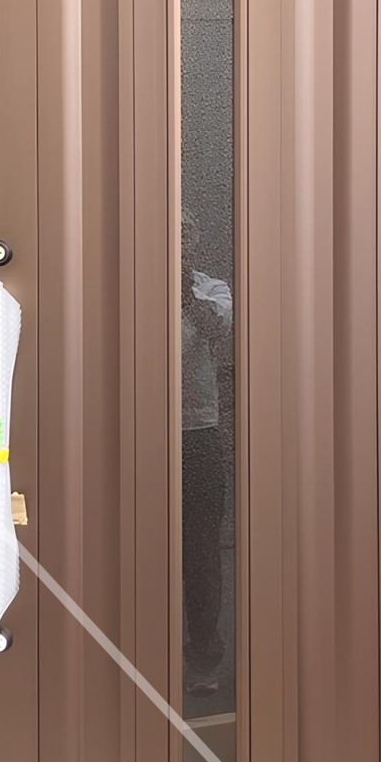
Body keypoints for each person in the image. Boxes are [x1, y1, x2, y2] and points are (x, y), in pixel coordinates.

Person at [181, 211, 232, 698]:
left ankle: (203, 660)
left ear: (194, 240)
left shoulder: (213, 290)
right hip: (139, 433)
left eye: (185, 232)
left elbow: (218, 331)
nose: (178, 240)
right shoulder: (131, 286)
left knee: (200, 555)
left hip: (198, 434)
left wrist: (181, 292)